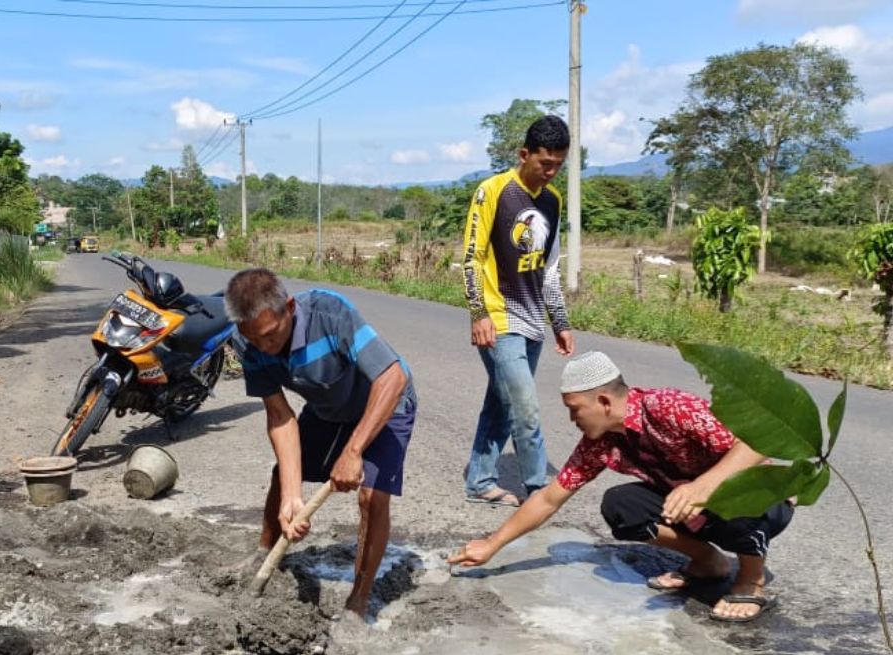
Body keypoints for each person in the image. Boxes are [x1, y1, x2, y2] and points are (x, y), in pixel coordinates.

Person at [448, 351, 793, 623]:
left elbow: (760, 440)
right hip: (696, 506)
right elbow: (549, 499)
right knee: (621, 504)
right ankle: (708, 562)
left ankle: (751, 578)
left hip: (759, 498)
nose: (573, 420)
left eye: (574, 410)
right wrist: (491, 545)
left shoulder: (669, 407)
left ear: (603, 402)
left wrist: (704, 486)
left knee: (739, 497)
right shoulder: (597, 444)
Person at [226, 269, 416, 620]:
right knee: (281, 477)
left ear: (289, 307)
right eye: (256, 340)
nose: (266, 347)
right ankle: (264, 551)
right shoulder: (247, 342)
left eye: (271, 335)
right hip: (330, 409)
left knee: (371, 497)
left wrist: (353, 451)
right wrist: (291, 495)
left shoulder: (330, 313)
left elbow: (393, 377)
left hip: (385, 404)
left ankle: (359, 601)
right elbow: (280, 416)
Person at [461, 115, 576, 506]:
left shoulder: (553, 201)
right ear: (524, 154)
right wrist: (478, 313)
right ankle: (538, 490)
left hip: (532, 321)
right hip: (497, 316)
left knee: (503, 399)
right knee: (525, 406)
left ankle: (480, 481)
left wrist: (559, 320)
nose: (551, 172)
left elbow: (550, 267)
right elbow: (473, 258)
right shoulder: (492, 191)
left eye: (559, 165)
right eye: (545, 163)